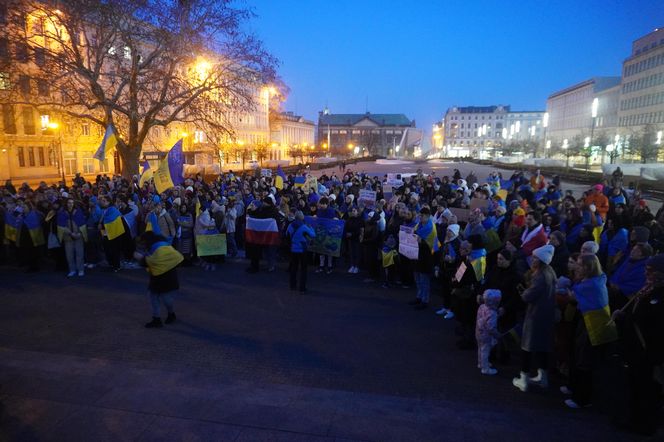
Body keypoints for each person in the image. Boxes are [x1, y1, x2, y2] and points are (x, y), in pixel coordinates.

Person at [612, 254, 664, 436]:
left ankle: (646, 424)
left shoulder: (659, 294)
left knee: (648, 390)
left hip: (650, 352)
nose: (646, 273)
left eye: (651, 271)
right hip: (636, 348)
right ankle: (633, 419)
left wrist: (631, 318)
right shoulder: (647, 289)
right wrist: (624, 316)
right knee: (635, 385)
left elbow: (653, 323)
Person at [562, 254, 617, 409]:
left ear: (588, 267)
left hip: (593, 324)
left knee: (584, 359)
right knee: (577, 354)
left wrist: (571, 295)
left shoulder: (590, 285)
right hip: (585, 320)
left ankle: (582, 399)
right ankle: (574, 388)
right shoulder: (594, 280)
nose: (576, 267)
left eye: (579, 264)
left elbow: (575, 297)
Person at [513, 244, 557, 392]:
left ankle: (523, 379)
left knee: (528, 346)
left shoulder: (539, 277)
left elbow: (527, 296)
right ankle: (542, 376)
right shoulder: (550, 272)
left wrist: (522, 291)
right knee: (542, 347)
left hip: (535, 315)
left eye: (535, 258)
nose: (532, 260)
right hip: (546, 314)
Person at [133, 231, 184, 328]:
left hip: (166, 278)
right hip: (160, 277)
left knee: (166, 299)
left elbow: (151, 261)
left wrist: (141, 258)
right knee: (153, 297)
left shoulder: (159, 249)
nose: (143, 246)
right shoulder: (161, 245)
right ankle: (157, 319)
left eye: (143, 243)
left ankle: (171, 314)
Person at [286, 211, 315, 293]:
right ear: (302, 217)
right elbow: (313, 235)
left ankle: (292, 285)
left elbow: (286, 234)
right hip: (302, 249)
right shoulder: (304, 226)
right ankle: (302, 288)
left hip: (293, 249)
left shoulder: (290, 225)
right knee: (303, 269)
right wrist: (311, 227)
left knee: (294, 268)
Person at [57, 198, 87, 277]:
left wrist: (80, 233)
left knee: (79, 253)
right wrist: (70, 233)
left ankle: (80, 269)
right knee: (69, 255)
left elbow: (83, 223)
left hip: (78, 235)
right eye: (69, 203)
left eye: (72, 203)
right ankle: (72, 270)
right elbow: (61, 226)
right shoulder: (62, 213)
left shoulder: (78, 212)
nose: (70, 204)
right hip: (68, 236)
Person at [476, 289, 502, 375]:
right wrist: (497, 334)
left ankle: (481, 363)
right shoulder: (492, 313)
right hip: (486, 336)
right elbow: (491, 328)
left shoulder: (482, 307)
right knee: (485, 351)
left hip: (478, 332)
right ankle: (485, 368)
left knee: (480, 348)